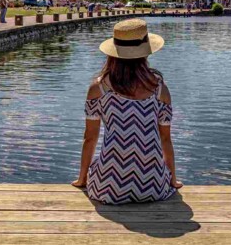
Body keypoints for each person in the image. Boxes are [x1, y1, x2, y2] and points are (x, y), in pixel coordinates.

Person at [72, 19, 181, 204]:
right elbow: (165, 139)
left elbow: (90, 138)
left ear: (113, 53)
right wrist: (172, 180)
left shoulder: (98, 88)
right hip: (153, 187)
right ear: (146, 52)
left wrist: (83, 179)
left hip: (109, 188)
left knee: (100, 166)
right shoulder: (159, 87)